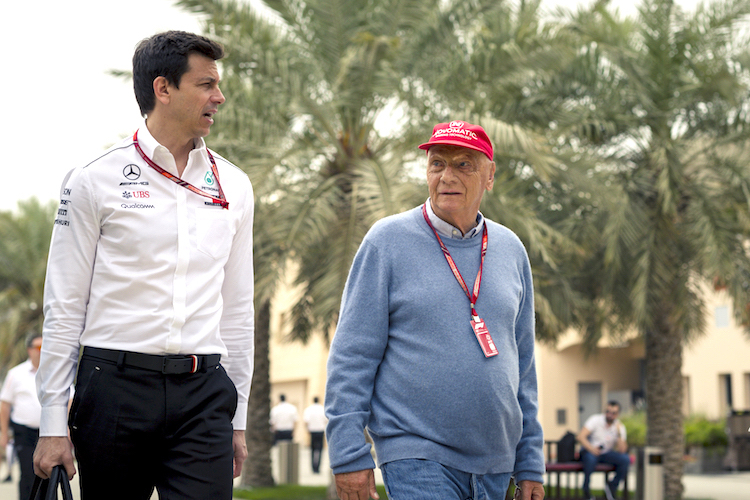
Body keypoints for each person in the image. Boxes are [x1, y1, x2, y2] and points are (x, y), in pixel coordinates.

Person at [33, 31, 255, 500]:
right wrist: (52, 424)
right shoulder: (93, 179)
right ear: (163, 88)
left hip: (203, 394)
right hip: (112, 390)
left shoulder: (235, 185)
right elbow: (65, 304)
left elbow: (237, 307)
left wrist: (238, 419)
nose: (220, 96)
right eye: (206, 84)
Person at [325, 120, 545, 500]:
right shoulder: (386, 242)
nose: (447, 176)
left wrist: (530, 461)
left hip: (496, 464)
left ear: (490, 176)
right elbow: (351, 357)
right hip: (415, 454)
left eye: (464, 165)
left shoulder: (511, 249)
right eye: (438, 163)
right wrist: (348, 456)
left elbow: (523, 366)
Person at [1, 333, 43, 500]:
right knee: (28, 472)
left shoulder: (56, 372)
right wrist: (4, 433)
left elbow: (69, 401)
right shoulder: (15, 374)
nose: (41, 351)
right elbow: (5, 405)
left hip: (48, 433)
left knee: (48, 475)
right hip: (24, 434)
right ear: (29, 350)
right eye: (38, 347)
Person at [577, 401, 630, 500]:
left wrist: (619, 433)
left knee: (625, 459)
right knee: (590, 460)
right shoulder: (595, 420)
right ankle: (586, 490)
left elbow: (622, 450)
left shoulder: (619, 427)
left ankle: (611, 487)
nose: (610, 415)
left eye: (613, 413)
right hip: (591, 451)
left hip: (606, 454)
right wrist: (591, 448)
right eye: (608, 411)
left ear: (617, 414)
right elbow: (581, 437)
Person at [303, 397, 328, 473]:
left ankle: (313, 467)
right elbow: (326, 420)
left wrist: (307, 430)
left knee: (312, 450)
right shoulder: (322, 409)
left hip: (312, 431)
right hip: (320, 431)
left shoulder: (308, 409)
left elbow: (306, 421)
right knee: (320, 450)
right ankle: (318, 468)